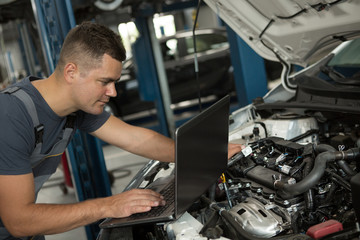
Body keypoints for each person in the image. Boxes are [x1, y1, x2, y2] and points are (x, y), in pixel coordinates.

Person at [0, 21, 243, 239]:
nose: (113, 92)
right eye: (104, 82)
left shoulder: (76, 107)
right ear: (71, 72)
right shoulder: (11, 116)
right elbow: (19, 221)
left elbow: (137, 139)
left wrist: (202, 155)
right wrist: (109, 206)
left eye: (114, 82)